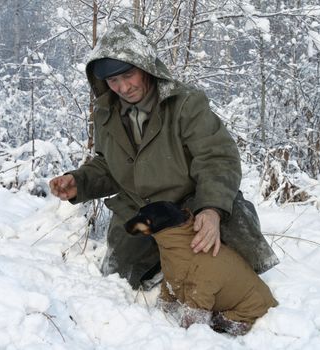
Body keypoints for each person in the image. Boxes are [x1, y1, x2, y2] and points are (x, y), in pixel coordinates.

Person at [50, 23, 279, 290]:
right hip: (140, 211)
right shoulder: (106, 113)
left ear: (146, 66)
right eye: (113, 81)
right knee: (119, 280)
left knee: (232, 271)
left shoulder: (185, 103)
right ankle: (159, 262)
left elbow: (217, 157)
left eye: (128, 75)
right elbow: (110, 164)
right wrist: (80, 182)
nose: (123, 88)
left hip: (190, 206)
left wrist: (212, 208)